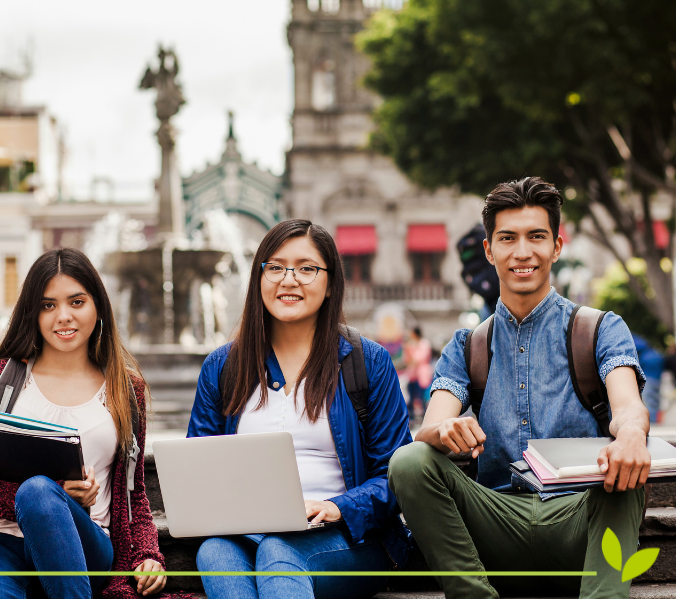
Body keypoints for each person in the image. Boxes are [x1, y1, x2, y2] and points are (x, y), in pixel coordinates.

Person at [388, 177, 650, 599]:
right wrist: (444, 432)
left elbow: (628, 407)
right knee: (409, 460)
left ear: (557, 247)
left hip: (580, 520)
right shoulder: (466, 345)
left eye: (536, 237)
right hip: (495, 521)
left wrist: (633, 435)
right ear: (490, 250)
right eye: (508, 238)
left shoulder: (600, 328)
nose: (522, 252)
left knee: (625, 468)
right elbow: (431, 426)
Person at [188, 219, 412, 599]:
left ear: (329, 285)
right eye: (275, 267)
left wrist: (337, 507)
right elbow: (197, 470)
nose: (288, 279)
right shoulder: (223, 367)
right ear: (258, 278)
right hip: (246, 533)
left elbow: (396, 476)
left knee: (279, 552)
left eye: (307, 268)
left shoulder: (367, 362)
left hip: (347, 538)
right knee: (215, 551)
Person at [0, 248, 169, 599]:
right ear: (33, 313)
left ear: (98, 306)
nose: (63, 317)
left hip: (83, 542)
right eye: (48, 305)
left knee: (39, 492)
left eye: (76, 302)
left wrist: (148, 554)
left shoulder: (125, 389)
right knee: (36, 496)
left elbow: (134, 491)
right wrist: (55, 492)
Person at [403, 326, 433, 424]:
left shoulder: (423, 343)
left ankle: (426, 418)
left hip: (422, 374)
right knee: (412, 395)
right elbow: (407, 360)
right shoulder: (411, 344)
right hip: (412, 375)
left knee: (423, 396)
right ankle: (411, 417)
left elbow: (419, 358)